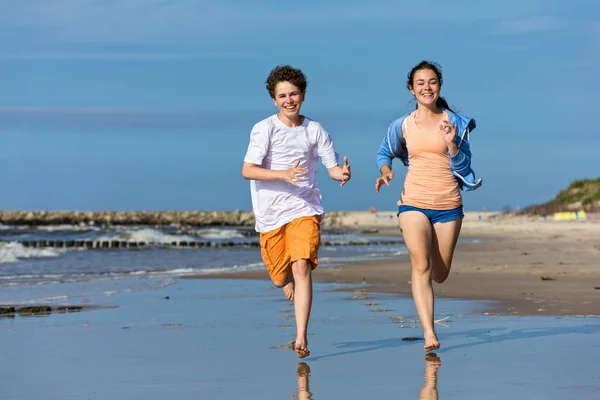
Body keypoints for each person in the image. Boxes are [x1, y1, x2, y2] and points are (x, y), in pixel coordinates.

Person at [242, 65, 351, 358]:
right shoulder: (264, 129)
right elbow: (247, 170)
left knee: (302, 265)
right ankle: (285, 280)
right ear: (274, 99)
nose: (289, 100)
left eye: (294, 94)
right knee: (280, 278)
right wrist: (283, 174)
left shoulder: (315, 131)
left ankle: (301, 336)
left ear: (303, 95)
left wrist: (342, 174)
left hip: (304, 206)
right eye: (282, 96)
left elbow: (332, 168)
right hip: (270, 214)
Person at [375, 61, 482, 352]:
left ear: (439, 86)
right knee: (420, 264)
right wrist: (386, 171)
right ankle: (429, 332)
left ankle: (435, 277)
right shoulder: (402, 125)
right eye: (420, 82)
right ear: (412, 88)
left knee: (440, 273)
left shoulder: (455, 123)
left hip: (448, 205)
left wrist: (452, 145)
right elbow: (385, 152)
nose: (426, 87)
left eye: (432, 81)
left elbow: (464, 165)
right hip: (413, 202)